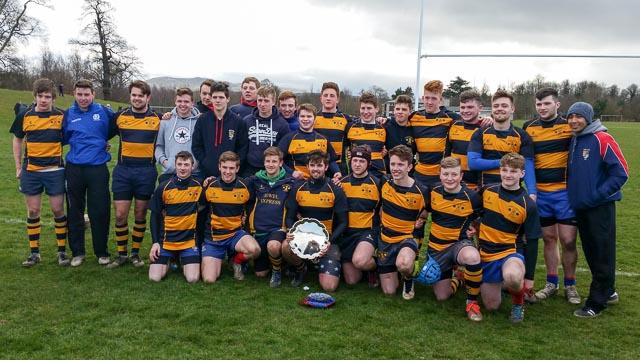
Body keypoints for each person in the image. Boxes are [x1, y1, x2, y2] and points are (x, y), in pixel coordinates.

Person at [467, 90, 539, 300]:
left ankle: (521, 284)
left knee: (519, 237)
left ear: (512, 109)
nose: (500, 109)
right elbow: (473, 162)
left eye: (504, 106)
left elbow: (528, 165)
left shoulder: (521, 135)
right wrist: (505, 163)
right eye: (496, 106)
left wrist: (532, 192)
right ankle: (487, 278)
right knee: (485, 237)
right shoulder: (481, 133)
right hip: (487, 193)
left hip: (515, 194)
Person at [566, 102, 629, 318]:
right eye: (571, 116)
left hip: (599, 208)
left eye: (579, 116)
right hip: (582, 208)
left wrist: (597, 196)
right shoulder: (575, 139)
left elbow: (621, 172)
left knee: (602, 253)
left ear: (589, 118)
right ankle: (608, 291)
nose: (574, 120)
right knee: (592, 252)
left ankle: (596, 302)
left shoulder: (602, 138)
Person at [522, 88, 579, 304]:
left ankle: (571, 285)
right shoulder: (530, 127)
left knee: (568, 240)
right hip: (541, 194)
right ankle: (552, 283)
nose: (542, 108)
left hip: (565, 194)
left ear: (557, 104)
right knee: (548, 238)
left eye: (546, 103)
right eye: (539, 104)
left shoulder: (568, 126)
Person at [10, 78, 69, 267]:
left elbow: (76, 136)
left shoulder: (61, 116)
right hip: (32, 171)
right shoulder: (24, 115)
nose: (44, 100)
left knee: (57, 209)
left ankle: (62, 252)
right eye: (40, 96)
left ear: (53, 98)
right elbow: (17, 139)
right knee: (33, 210)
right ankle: (34, 253)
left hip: (55, 170)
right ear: (34, 97)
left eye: (48, 97)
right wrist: (18, 166)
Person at [478, 153, 541, 323]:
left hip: (509, 253)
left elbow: (533, 242)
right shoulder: (487, 191)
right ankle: (504, 284)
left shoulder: (528, 204)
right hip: (486, 254)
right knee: (491, 306)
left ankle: (518, 303)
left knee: (513, 276)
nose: (508, 175)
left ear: (522, 174)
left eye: (513, 171)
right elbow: (474, 213)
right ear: (499, 171)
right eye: (504, 170)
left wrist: (529, 278)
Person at [107, 80, 161, 269]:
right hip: (123, 171)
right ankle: (121, 254)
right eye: (134, 95)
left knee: (140, 214)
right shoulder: (119, 117)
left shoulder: (158, 119)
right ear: (130, 96)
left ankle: (135, 254)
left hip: (146, 172)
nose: (137, 99)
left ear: (148, 97)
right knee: (121, 214)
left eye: (140, 95)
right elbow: (102, 135)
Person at [63, 79, 115, 267]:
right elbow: (63, 137)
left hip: (97, 168)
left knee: (99, 210)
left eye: (87, 94)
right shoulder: (68, 114)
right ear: (74, 94)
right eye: (79, 94)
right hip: (75, 169)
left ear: (93, 94)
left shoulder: (104, 112)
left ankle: (102, 252)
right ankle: (78, 252)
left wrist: (103, 143)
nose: (83, 98)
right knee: (75, 210)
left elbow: (116, 128)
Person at [426, 157, 483, 321]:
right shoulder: (433, 191)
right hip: (436, 248)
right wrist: (420, 219)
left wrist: (475, 226)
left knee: (472, 257)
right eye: (445, 174)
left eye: (454, 174)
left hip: (459, 244)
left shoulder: (472, 197)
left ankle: (472, 303)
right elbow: (424, 211)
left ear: (461, 175)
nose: (449, 178)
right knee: (442, 296)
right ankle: (458, 279)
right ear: (440, 175)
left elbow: (482, 218)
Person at [282, 150, 348, 291]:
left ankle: (318, 263)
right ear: (307, 166)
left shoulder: (335, 189)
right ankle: (301, 269)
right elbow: (289, 217)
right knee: (285, 247)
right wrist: (290, 231)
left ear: (326, 167)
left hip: (327, 241)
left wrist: (329, 241)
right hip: (304, 238)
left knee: (329, 287)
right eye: (312, 165)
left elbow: (343, 222)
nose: (315, 169)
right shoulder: (298, 187)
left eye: (319, 165)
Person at [201, 151, 261, 283]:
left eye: (232, 168)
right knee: (209, 279)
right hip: (214, 238)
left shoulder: (244, 186)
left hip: (235, 235)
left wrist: (247, 228)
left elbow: (250, 208)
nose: (228, 171)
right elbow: (200, 211)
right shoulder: (210, 186)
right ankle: (217, 257)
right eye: (225, 167)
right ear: (219, 167)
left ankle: (236, 261)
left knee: (254, 249)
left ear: (237, 168)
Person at [377, 145, 428, 299]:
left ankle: (408, 276)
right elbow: (380, 207)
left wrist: (418, 231)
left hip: (407, 238)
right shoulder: (384, 182)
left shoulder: (422, 191)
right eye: (393, 164)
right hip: (385, 239)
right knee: (389, 291)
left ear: (410, 166)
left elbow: (425, 216)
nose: (395, 168)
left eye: (400, 164)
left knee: (404, 264)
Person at [148, 151, 202, 283]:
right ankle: (169, 259)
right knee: (154, 278)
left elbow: (206, 208)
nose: (183, 168)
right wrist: (155, 242)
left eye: (186, 164)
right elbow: (155, 216)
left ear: (192, 166)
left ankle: (183, 259)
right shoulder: (163, 187)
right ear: (175, 165)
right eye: (179, 164)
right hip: (166, 241)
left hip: (188, 241)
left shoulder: (199, 186)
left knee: (193, 278)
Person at [245, 147, 295, 287]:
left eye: (274, 161)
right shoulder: (255, 180)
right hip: (259, 230)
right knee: (260, 274)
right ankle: (276, 264)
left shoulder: (289, 183)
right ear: (264, 162)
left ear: (280, 163)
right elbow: (237, 185)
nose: (271, 164)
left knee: (273, 246)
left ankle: (277, 271)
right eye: (268, 161)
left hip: (278, 229)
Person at [339, 146, 381, 287]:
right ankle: (364, 265)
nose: (357, 164)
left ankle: (375, 267)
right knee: (352, 280)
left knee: (360, 261)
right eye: (354, 160)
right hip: (347, 234)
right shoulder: (342, 183)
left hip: (367, 232)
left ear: (368, 164)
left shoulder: (378, 183)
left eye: (362, 161)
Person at [192, 81, 248, 178]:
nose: (218, 100)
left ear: (227, 99)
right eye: (215, 97)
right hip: (206, 174)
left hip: (230, 174)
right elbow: (196, 146)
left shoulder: (238, 122)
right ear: (211, 99)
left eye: (221, 97)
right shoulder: (202, 120)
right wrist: (206, 162)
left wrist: (232, 166)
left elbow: (242, 148)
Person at [409, 80, 458, 186]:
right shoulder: (414, 117)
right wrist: (382, 120)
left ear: (440, 100)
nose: (429, 102)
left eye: (434, 98)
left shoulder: (451, 117)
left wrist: (487, 120)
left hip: (441, 176)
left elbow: (471, 121)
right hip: (419, 174)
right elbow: (397, 123)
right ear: (422, 98)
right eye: (427, 98)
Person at [278, 103, 340, 180]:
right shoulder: (289, 138)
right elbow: (277, 159)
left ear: (315, 118)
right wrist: (292, 172)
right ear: (298, 118)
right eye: (302, 116)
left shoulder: (323, 139)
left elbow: (331, 160)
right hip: (297, 183)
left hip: (319, 183)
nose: (305, 119)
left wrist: (337, 172)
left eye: (309, 116)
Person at [156, 87, 201, 183]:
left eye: (186, 101)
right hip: (169, 173)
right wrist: (166, 162)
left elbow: (203, 148)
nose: (183, 104)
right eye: (179, 101)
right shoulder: (165, 121)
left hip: (194, 174)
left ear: (192, 103)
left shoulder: (199, 122)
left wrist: (195, 164)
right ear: (175, 102)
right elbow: (159, 146)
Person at [242, 86, 290, 177]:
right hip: (249, 169)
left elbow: (283, 151)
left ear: (273, 102)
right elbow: (242, 146)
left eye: (266, 101)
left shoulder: (282, 124)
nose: (262, 104)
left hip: (272, 170)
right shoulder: (247, 121)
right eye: (260, 100)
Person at [446, 90, 483, 190]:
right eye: (462, 107)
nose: (465, 110)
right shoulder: (453, 126)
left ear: (480, 108)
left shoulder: (486, 129)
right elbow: (447, 155)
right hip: (454, 184)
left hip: (477, 187)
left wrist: (480, 186)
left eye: (470, 107)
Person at [345, 92, 387, 178]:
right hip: (356, 176)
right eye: (363, 108)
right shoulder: (350, 127)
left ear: (376, 109)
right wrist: (350, 153)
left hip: (378, 175)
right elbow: (343, 151)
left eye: (369, 108)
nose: (365, 112)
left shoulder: (385, 127)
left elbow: (391, 149)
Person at [314, 82, 352, 172]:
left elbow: (356, 141)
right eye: (325, 95)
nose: (328, 98)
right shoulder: (312, 118)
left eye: (332, 95)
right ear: (321, 98)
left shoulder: (346, 119)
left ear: (337, 99)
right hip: (317, 167)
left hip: (339, 169)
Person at [384, 95, 415, 173]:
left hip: (408, 174)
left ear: (410, 111)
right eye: (397, 109)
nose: (400, 112)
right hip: (388, 172)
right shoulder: (385, 126)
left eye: (404, 109)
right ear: (394, 110)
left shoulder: (415, 129)